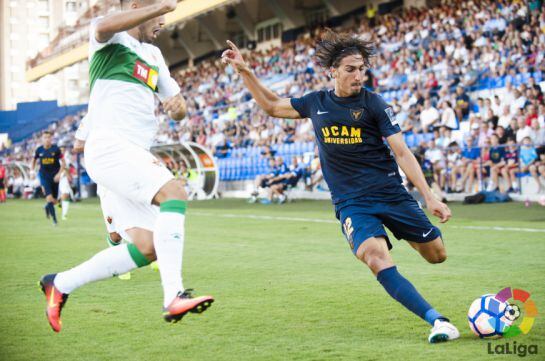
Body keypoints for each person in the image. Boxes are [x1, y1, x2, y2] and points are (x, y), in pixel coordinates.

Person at [222, 29, 459, 343]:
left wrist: (430, 197)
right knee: (374, 255)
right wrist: (245, 71)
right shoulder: (316, 102)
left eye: (362, 69)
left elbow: (401, 152)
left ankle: (407, 236)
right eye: (350, 69)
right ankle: (437, 321)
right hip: (351, 203)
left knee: (436, 255)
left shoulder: (375, 104)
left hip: (390, 194)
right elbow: (272, 106)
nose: (358, 75)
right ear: (331, 71)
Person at [39, 0, 213, 333]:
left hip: (129, 153)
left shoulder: (155, 56)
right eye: (159, 14)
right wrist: (157, 6)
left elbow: (177, 107)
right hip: (109, 147)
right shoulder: (111, 37)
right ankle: (173, 295)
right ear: (139, 5)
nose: (162, 21)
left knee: (147, 247)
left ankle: (60, 283)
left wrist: (177, 108)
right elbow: (102, 26)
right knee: (175, 190)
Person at [32, 131, 66, 225]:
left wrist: (59, 174)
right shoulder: (39, 150)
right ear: (42, 139)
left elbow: (63, 163)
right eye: (45, 137)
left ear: (51, 138)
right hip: (44, 176)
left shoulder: (56, 149)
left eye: (48, 137)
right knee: (49, 198)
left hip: (55, 177)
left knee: (54, 201)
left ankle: (47, 207)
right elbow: (34, 160)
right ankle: (55, 221)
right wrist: (32, 171)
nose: (47, 139)